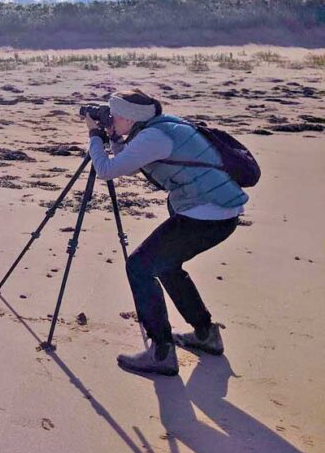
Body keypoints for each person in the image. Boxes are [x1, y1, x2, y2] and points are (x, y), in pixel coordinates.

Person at [83, 88, 248, 376]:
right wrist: (111, 137)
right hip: (218, 213)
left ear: (128, 117)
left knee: (139, 266)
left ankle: (161, 352)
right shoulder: (160, 127)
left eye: (115, 115)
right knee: (166, 265)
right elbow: (131, 164)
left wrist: (94, 137)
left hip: (206, 215)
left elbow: (107, 169)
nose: (111, 118)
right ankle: (206, 334)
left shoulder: (153, 138)